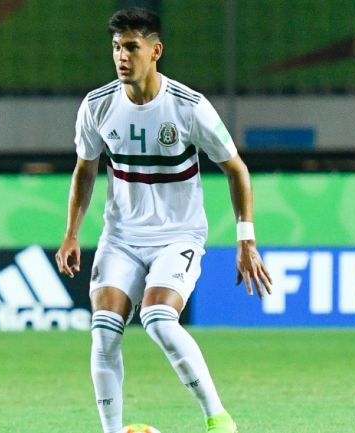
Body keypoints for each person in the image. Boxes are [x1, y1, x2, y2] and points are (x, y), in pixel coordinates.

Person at [55, 7, 272, 433]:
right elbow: (85, 169)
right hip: (120, 238)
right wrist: (71, 233)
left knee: (157, 318)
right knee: (103, 331)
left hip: (178, 236)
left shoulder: (189, 108)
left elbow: (236, 169)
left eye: (131, 47)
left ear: (155, 50)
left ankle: (218, 418)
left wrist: (246, 239)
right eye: (116, 47)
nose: (121, 56)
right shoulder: (97, 106)